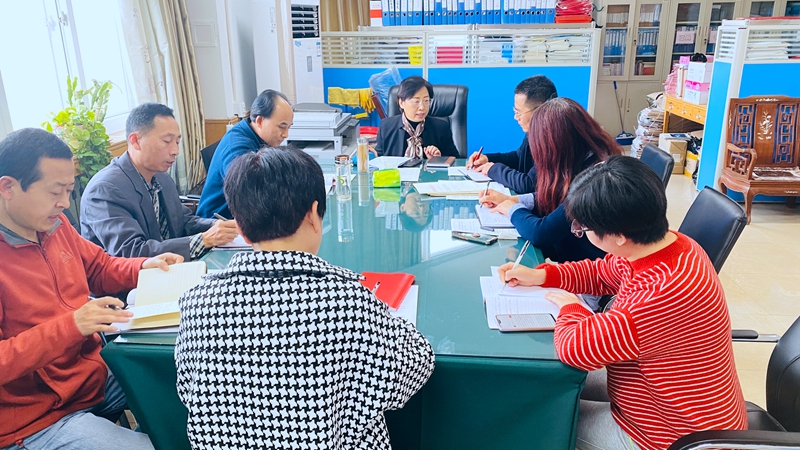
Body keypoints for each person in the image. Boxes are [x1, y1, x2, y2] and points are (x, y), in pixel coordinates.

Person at [175, 147, 435, 449]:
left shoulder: (197, 304)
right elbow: (416, 364)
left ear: (241, 228)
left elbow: (187, 390)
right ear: (314, 214)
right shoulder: (348, 301)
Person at [498, 156, 748, 450]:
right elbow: (603, 273)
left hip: (670, 435)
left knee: (538, 416)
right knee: (541, 384)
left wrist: (571, 307)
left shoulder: (659, 295)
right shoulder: (670, 245)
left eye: (583, 228)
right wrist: (543, 276)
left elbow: (574, 349)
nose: (581, 232)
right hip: (655, 393)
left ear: (618, 236)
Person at [0, 128, 183, 450]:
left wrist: (143, 266)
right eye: (55, 191)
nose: (64, 203)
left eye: (69, 190)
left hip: (89, 376)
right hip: (38, 416)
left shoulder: (54, 225)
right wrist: (71, 326)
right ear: (8, 187)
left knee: (181, 387)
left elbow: (99, 267)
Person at [81, 103, 238, 260]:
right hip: (136, 275)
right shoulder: (104, 190)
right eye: (166, 141)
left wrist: (215, 226)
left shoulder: (161, 177)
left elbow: (183, 221)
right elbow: (132, 252)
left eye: (177, 142)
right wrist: (204, 240)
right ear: (135, 141)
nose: (175, 151)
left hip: (171, 267)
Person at [479, 98, 620, 267]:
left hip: (589, 270)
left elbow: (541, 233)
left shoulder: (595, 179)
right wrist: (515, 200)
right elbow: (560, 195)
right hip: (569, 255)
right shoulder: (584, 157)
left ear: (556, 146)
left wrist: (512, 209)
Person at [197, 89, 294, 218]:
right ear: (260, 121)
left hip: (242, 217)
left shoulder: (259, 137)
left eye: (289, 127)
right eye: (282, 126)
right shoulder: (237, 148)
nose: (286, 134)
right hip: (219, 222)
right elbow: (248, 197)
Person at [466, 75, 557, 194]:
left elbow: (528, 184)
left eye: (519, 112)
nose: (515, 117)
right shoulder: (535, 130)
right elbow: (519, 158)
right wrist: (488, 159)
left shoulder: (554, 137)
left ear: (540, 110)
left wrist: (493, 169)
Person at [374, 76, 459, 159]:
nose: (422, 107)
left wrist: (438, 159)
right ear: (401, 103)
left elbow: (456, 160)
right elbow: (378, 159)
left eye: (426, 101)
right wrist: (370, 154)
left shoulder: (441, 127)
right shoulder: (386, 126)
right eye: (416, 101)